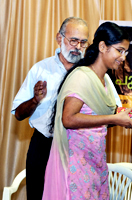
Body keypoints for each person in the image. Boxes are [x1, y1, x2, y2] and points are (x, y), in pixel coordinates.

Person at [42, 21, 132, 200]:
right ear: (102, 46)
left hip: (95, 160)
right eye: (120, 50)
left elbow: (106, 113)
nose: (123, 57)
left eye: (125, 52)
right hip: (76, 163)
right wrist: (116, 118)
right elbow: (68, 119)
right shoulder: (81, 76)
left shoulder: (105, 80)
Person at [11, 17, 89, 200]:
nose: (78, 47)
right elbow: (19, 114)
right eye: (73, 40)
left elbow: (112, 109)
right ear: (59, 38)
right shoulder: (41, 69)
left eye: (83, 42)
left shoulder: (92, 72)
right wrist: (35, 100)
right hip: (44, 145)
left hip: (79, 147)